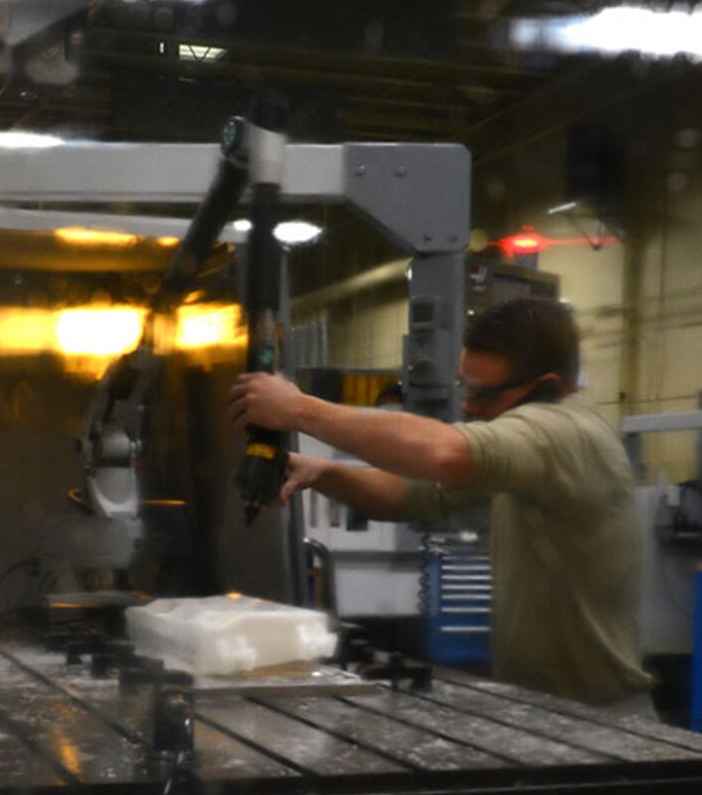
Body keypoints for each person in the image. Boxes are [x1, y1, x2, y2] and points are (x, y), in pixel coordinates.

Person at [229, 297, 654, 712]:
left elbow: (447, 455)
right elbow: (413, 496)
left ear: (549, 387)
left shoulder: (565, 430)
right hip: (547, 710)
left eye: (485, 395)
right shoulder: (537, 453)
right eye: (464, 388)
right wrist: (323, 473)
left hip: (600, 721)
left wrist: (300, 410)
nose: (468, 406)